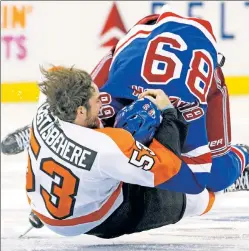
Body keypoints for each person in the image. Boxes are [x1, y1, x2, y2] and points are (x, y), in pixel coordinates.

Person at [1, 6, 248, 192]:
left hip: (191, 47)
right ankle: (45, 126)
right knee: (77, 100)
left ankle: (243, 155)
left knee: (216, 177)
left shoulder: (190, 108)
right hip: (140, 41)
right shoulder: (107, 98)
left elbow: (198, 179)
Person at [25, 66, 216, 238]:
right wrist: (168, 113)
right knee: (198, 198)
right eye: (97, 100)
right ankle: (230, 184)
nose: (103, 101)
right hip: (94, 219)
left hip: (42, 204)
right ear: (80, 111)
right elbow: (169, 167)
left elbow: (56, 72)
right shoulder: (107, 147)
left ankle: (50, 191)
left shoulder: (44, 108)